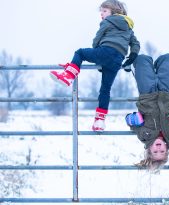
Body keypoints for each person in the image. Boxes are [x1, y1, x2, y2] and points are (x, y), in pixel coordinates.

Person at [49, 0, 140, 132]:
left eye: (104, 11)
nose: (101, 14)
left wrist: (97, 55)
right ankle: (100, 121)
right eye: (101, 11)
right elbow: (135, 44)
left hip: (105, 51)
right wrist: (132, 57)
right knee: (105, 89)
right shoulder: (129, 28)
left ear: (114, 12)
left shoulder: (108, 22)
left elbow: (97, 39)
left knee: (80, 52)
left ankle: (68, 76)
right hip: (117, 60)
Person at [125, 53, 169, 171]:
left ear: (149, 149)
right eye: (162, 151)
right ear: (167, 148)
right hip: (167, 95)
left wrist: (133, 119)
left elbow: (130, 123)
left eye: (155, 151)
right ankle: (163, 61)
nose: (159, 147)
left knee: (141, 60)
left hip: (147, 96)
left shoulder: (143, 136)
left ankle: (144, 62)